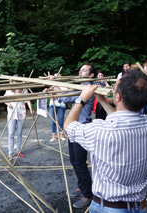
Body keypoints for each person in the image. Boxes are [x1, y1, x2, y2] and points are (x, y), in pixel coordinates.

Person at [64, 70, 147, 213]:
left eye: (114, 89)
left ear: (118, 97)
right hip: (139, 205)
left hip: (108, 208)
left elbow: (68, 126)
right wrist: (102, 100)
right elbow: (123, 117)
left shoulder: (101, 130)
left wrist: (81, 99)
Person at [58, 63, 95, 208]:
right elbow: (63, 96)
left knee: (80, 162)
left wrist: (56, 87)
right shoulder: (79, 86)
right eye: (80, 69)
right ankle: (82, 183)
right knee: (74, 160)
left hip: (82, 127)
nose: (80, 72)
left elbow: (65, 98)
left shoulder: (86, 89)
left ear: (91, 75)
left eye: (84, 70)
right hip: (74, 127)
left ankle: (88, 195)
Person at [4, 81, 34, 159]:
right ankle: (10, 153)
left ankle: (18, 150)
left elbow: (28, 100)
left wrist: (31, 109)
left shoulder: (24, 90)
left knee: (19, 133)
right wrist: (8, 104)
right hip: (12, 114)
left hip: (21, 114)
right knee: (11, 134)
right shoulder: (9, 90)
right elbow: (4, 99)